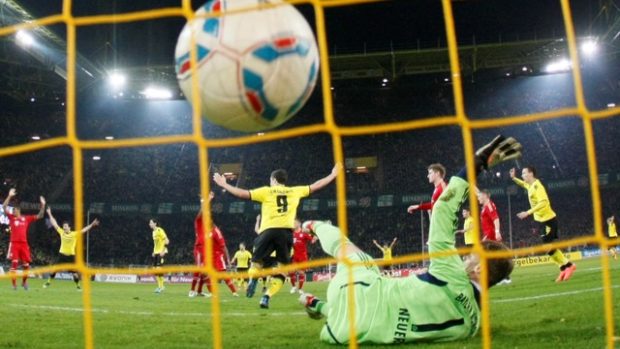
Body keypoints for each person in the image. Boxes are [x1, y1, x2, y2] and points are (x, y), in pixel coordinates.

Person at [298, 135, 519, 345]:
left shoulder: (451, 272)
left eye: (469, 258)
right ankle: (319, 306)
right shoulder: (472, 325)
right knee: (376, 310)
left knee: (357, 257)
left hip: (352, 290)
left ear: (479, 268)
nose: (464, 260)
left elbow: (442, 208)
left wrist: (479, 162)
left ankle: (313, 226)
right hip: (341, 332)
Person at [213, 163, 340, 309]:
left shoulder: (267, 191)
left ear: (273, 180)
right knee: (282, 271)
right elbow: (316, 185)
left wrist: (224, 184)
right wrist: (332, 175)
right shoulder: (295, 191)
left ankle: (253, 278)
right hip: (285, 234)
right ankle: (266, 297)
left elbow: (242, 194)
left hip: (266, 231)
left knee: (256, 264)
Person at [510, 166, 576, 282]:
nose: (522, 175)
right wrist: (514, 178)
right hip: (541, 221)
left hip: (548, 220)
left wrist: (528, 212)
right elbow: (522, 184)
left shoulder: (537, 186)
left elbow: (544, 202)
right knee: (548, 248)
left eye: (524, 173)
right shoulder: (530, 185)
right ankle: (563, 268)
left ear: (531, 174)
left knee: (548, 247)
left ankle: (569, 266)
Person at [189, 192, 238, 298]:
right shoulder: (198, 222)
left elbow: (223, 245)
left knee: (205, 272)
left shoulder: (213, 229)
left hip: (209, 252)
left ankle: (200, 292)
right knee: (200, 269)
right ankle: (192, 291)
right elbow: (202, 212)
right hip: (199, 248)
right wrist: (207, 200)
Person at [44, 207, 100, 289]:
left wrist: (91, 225)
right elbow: (54, 223)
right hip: (62, 255)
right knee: (54, 270)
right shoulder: (61, 232)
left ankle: (78, 286)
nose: (64, 227)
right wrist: (49, 213)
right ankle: (48, 283)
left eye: (66, 226)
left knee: (74, 274)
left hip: (71, 257)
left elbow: (84, 230)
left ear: (69, 227)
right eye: (63, 226)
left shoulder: (74, 234)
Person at [2, 188, 45, 290]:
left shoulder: (26, 218)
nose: (13, 212)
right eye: (12, 210)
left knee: (26, 265)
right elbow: (4, 207)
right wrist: (9, 195)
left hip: (24, 244)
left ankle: (24, 283)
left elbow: (40, 215)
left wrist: (43, 205)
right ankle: (14, 285)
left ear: (19, 211)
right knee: (14, 264)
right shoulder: (11, 218)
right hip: (15, 244)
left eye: (14, 210)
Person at [289, 218, 317, 294]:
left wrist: (314, 237)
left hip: (303, 256)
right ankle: (294, 287)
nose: (293, 224)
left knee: (301, 273)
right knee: (291, 272)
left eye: (295, 223)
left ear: (299, 224)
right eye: (293, 223)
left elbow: (312, 241)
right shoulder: (291, 233)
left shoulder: (304, 233)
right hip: (295, 256)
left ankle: (300, 289)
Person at [150, 218, 169, 294]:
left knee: (158, 269)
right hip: (156, 253)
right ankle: (159, 286)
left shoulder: (159, 230)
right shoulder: (153, 232)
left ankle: (161, 287)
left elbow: (167, 241)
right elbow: (156, 244)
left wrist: (163, 250)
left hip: (161, 252)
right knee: (155, 271)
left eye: (151, 223)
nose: (149, 224)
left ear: (155, 223)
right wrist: (154, 252)